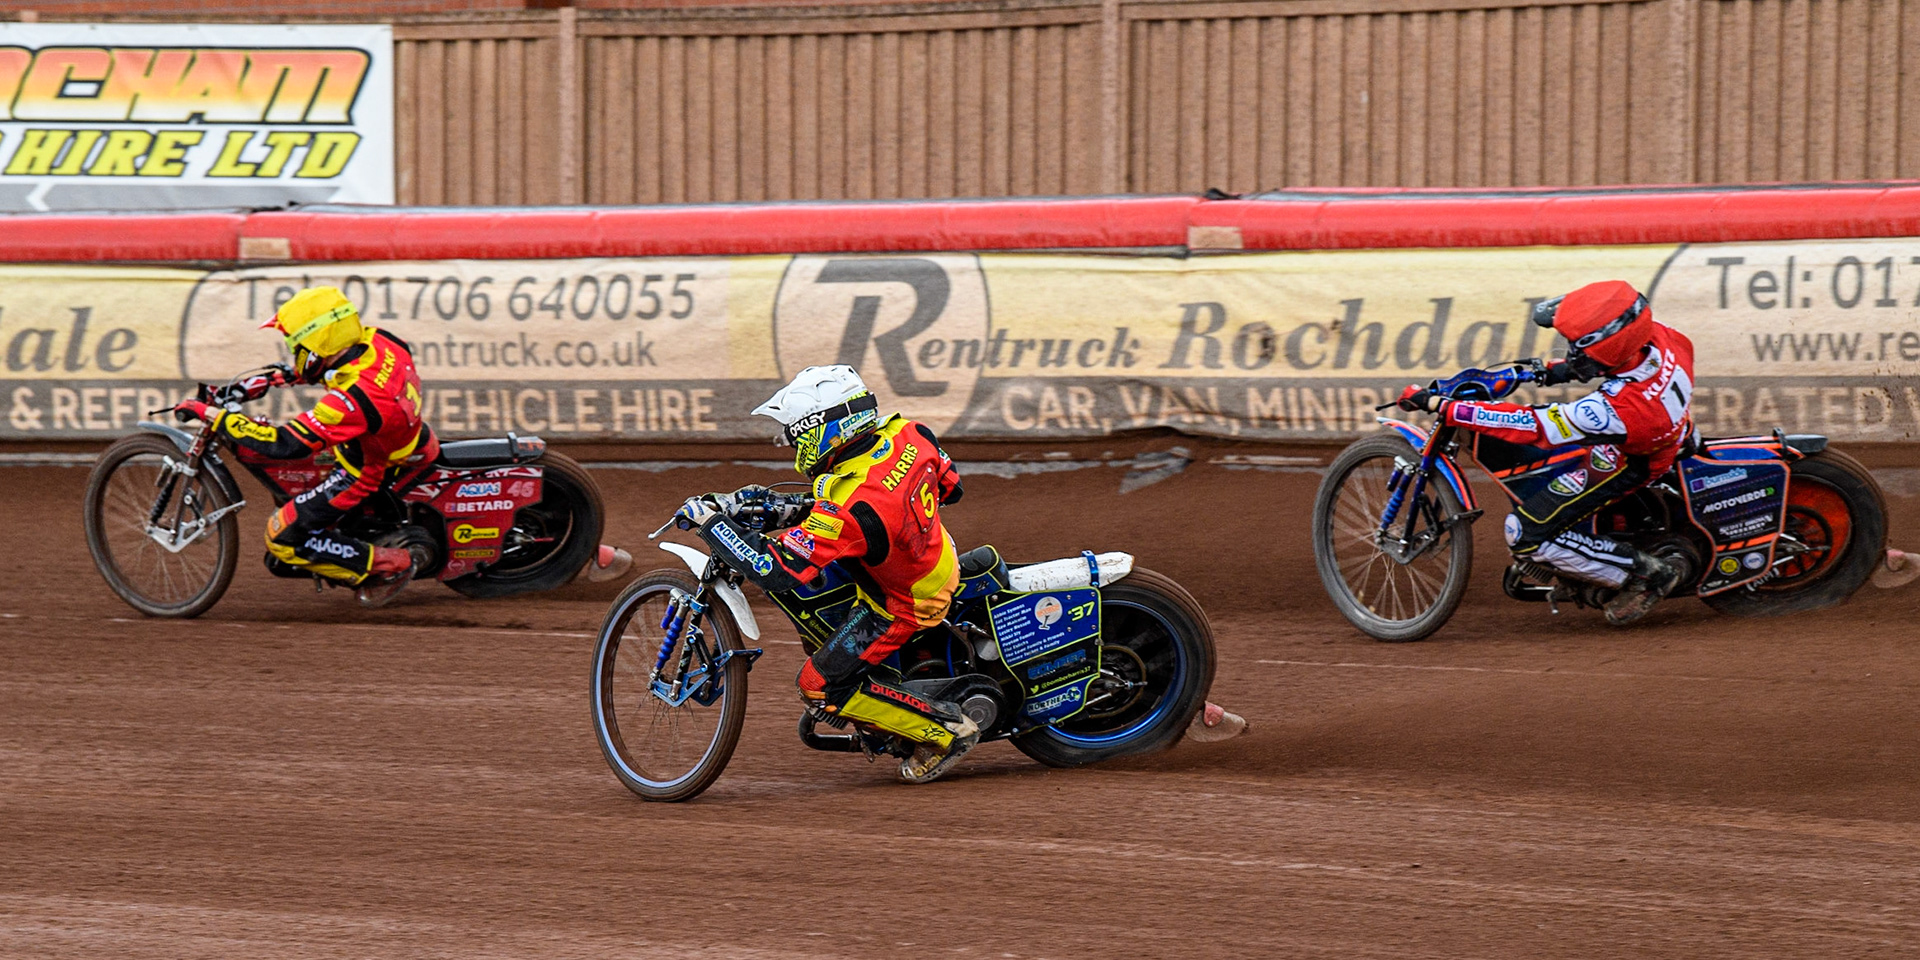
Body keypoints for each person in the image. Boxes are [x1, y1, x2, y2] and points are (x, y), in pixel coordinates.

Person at [677, 365, 978, 784]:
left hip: (904, 602)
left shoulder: (849, 504)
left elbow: (778, 570)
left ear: (825, 428)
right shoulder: (910, 432)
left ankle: (945, 732)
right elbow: (951, 488)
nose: (793, 444)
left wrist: (713, 525)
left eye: (797, 434)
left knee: (817, 685)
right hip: (936, 553)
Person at [1396, 280, 1694, 625]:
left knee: (1524, 534)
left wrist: (1445, 407)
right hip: (1669, 426)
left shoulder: (1617, 410)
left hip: (1631, 460)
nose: (1571, 351)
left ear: (1609, 346)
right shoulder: (1663, 337)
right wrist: (1541, 371)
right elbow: (1612, 365)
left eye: (1578, 346)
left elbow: (1533, 425)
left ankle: (1646, 574)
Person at [172, 286, 436, 598]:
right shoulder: (379, 340)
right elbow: (325, 369)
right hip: (403, 438)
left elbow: (283, 444)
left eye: (295, 342)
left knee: (280, 537)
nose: (292, 348)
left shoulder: (350, 402)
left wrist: (214, 415)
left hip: (364, 469)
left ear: (319, 341)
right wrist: (261, 383)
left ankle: (390, 563)